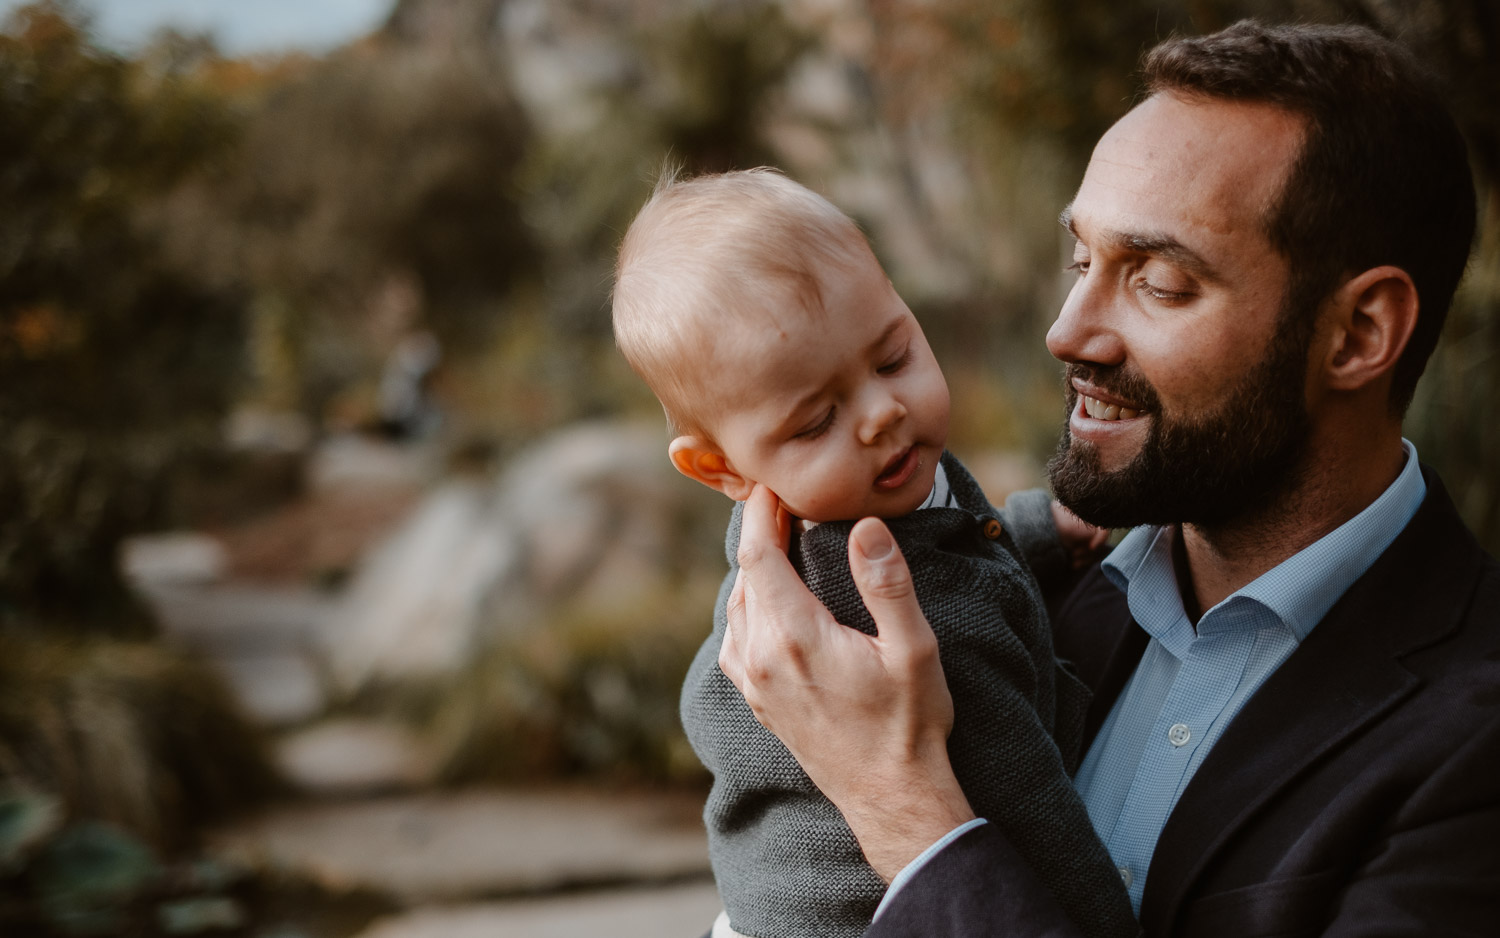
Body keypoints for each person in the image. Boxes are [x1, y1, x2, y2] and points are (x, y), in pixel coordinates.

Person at [718, 20, 1498, 938]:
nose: (1068, 331)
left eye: (1158, 282)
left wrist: (901, 808)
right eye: (1082, 260)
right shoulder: (1010, 592)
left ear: (1360, 334)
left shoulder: (1472, 742)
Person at [611, 169, 1135, 938]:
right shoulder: (885, 610)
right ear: (721, 468)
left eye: (892, 358)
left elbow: (963, 535)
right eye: (815, 420)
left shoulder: (878, 492)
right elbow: (1031, 811)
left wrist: (1037, 534)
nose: (881, 413)